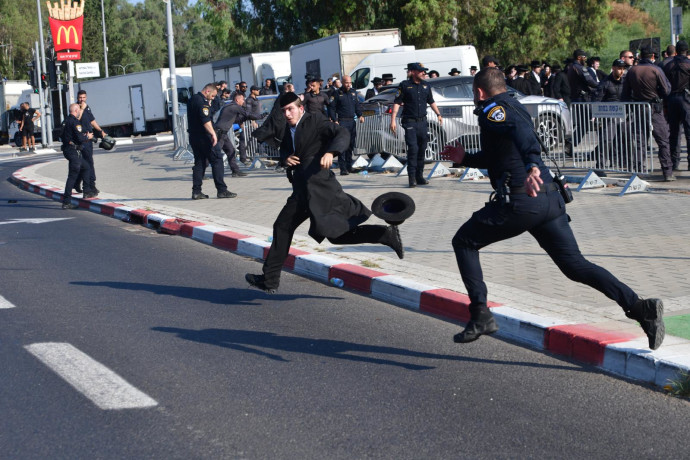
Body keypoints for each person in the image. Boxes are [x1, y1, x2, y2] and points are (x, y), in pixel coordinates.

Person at [439, 67, 665, 350]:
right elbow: (501, 154)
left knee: (464, 241)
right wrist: (465, 159)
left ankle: (480, 314)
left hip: (523, 200)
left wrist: (533, 164)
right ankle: (641, 308)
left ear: (479, 92)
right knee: (575, 266)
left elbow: (523, 137)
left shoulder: (493, 110)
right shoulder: (515, 106)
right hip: (549, 200)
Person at [245, 92, 404, 293]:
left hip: (322, 191)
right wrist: (286, 159)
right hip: (301, 192)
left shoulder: (316, 121)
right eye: (284, 110)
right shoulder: (287, 129)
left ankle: (384, 234)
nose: (287, 114)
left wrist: (331, 152)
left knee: (337, 237)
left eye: (290, 109)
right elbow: (286, 150)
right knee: (282, 227)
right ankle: (269, 280)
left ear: (300, 108)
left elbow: (341, 133)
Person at [622, 46, 674, 180]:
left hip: (638, 108)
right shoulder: (656, 69)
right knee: (663, 141)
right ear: (652, 56)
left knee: (640, 142)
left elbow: (625, 94)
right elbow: (666, 90)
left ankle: (639, 171)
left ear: (639, 57)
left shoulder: (632, 71)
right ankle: (667, 172)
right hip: (654, 109)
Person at [390, 62, 443, 188]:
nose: (424, 73)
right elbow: (397, 102)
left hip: (422, 122)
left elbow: (431, 101)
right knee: (413, 149)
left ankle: (420, 176)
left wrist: (438, 114)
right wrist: (392, 120)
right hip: (410, 122)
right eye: (421, 71)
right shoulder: (405, 85)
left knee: (422, 149)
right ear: (413, 72)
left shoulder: (426, 85)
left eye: (424, 71)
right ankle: (412, 178)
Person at [187, 83, 235, 199]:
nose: (213, 98)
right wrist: (213, 133)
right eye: (213, 96)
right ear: (207, 91)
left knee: (200, 162)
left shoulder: (193, 99)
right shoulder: (202, 103)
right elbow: (205, 120)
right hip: (205, 137)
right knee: (217, 159)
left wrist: (209, 105)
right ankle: (222, 190)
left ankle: (196, 191)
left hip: (194, 136)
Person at [214, 92, 265, 179]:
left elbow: (237, 119)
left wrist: (246, 118)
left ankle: (235, 171)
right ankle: (202, 171)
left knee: (231, 150)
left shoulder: (230, 106)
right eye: (242, 99)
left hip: (223, 133)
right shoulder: (235, 106)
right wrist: (261, 116)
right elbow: (247, 114)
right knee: (215, 153)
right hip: (220, 133)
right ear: (237, 100)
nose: (243, 101)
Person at [593, 59, 627, 170]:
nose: (621, 71)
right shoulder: (605, 82)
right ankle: (600, 166)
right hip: (609, 116)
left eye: (623, 69)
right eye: (619, 68)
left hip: (623, 115)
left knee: (623, 140)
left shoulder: (625, 81)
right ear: (613, 68)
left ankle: (618, 163)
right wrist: (595, 115)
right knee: (606, 140)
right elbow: (597, 99)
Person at [329, 74, 364, 175]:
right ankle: (343, 168)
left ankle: (349, 166)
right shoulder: (336, 93)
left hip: (352, 122)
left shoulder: (353, 93)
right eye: (346, 83)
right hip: (342, 122)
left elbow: (357, 105)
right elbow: (331, 108)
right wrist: (335, 120)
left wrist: (360, 115)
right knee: (343, 145)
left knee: (351, 145)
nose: (349, 85)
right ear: (342, 83)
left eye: (350, 83)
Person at [663, 40, 690, 171]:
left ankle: (674, 162)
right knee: (689, 132)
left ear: (676, 51)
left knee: (674, 132)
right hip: (686, 100)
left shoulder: (668, 65)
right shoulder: (688, 64)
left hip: (672, 99)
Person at [60, 103, 93, 209]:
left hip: (67, 149)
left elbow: (62, 135)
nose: (79, 112)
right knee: (72, 176)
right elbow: (80, 139)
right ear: (75, 110)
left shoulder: (65, 121)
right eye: (78, 110)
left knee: (86, 167)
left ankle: (86, 191)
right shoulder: (75, 122)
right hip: (73, 151)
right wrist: (88, 136)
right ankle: (66, 202)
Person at [75, 90, 107, 197]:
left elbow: (92, 121)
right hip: (82, 138)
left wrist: (100, 131)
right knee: (87, 164)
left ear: (86, 97)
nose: (82, 99)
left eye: (83, 97)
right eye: (80, 97)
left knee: (88, 163)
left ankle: (89, 185)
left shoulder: (87, 108)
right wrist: (82, 109)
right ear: (77, 97)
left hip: (89, 139)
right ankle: (88, 187)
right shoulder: (76, 108)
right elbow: (76, 120)